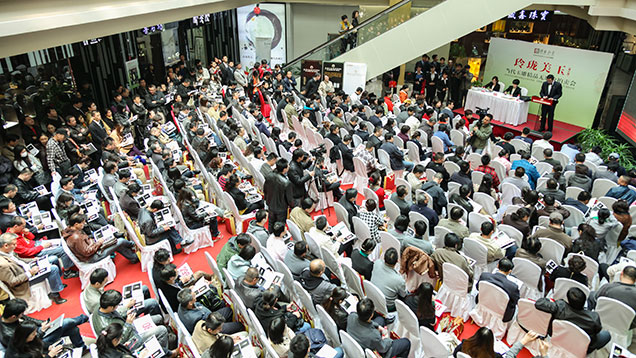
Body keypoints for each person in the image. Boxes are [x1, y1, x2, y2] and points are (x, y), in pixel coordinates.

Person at [92, 289, 172, 354]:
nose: (118, 307)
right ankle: (163, 353)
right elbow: (120, 340)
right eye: (117, 305)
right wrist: (128, 324)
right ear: (111, 307)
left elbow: (116, 313)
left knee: (158, 317)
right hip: (130, 338)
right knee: (162, 330)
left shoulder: (101, 306)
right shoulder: (105, 325)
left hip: (127, 326)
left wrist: (125, 312)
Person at [535, 287, 610, 353]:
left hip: (559, 337)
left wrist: (550, 301)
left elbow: (539, 303)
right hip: (581, 346)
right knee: (607, 335)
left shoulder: (559, 307)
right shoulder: (594, 317)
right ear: (585, 301)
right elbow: (597, 330)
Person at [0, 232, 67, 304]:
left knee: (53, 258)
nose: (16, 246)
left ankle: (57, 282)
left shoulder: (8, 251)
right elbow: (12, 282)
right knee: (53, 269)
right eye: (14, 244)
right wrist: (30, 273)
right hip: (25, 280)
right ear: (6, 245)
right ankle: (55, 294)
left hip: (28, 268)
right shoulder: (2, 264)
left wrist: (33, 260)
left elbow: (19, 260)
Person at [83, 268, 161, 318]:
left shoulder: (91, 286)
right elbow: (111, 313)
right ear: (97, 283)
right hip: (118, 314)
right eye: (105, 281)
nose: (106, 282)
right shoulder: (96, 302)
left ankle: (148, 313)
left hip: (115, 306)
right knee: (152, 303)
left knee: (144, 288)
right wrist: (127, 306)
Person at [346, 298, 410, 358]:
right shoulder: (374, 335)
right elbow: (383, 348)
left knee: (380, 320)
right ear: (371, 315)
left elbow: (370, 323)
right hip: (374, 349)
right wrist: (386, 338)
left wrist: (378, 327)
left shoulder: (351, 316)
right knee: (406, 343)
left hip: (359, 340)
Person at [63, 213, 139, 264]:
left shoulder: (72, 231)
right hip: (93, 256)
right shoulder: (76, 237)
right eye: (82, 223)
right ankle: (133, 245)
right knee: (120, 241)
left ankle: (133, 257)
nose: (84, 224)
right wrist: (99, 242)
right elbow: (87, 252)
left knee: (114, 242)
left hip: (94, 248)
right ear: (76, 224)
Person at [177, 288, 241, 335]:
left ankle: (225, 326)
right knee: (239, 326)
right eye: (194, 296)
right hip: (212, 327)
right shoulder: (194, 318)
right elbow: (208, 327)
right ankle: (223, 333)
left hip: (210, 316)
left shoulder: (182, 304)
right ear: (190, 303)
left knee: (228, 310)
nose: (195, 295)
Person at [476, 258, 520, 322]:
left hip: (483, 302)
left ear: (498, 266)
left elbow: (478, 288)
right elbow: (515, 302)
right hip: (502, 312)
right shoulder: (513, 287)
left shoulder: (485, 276)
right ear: (510, 271)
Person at [371, 248, 406, 312]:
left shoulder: (377, 263)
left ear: (384, 258)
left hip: (373, 296)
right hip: (388, 306)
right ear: (397, 261)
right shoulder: (399, 280)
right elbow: (403, 294)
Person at [263, 159, 294, 233]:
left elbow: (265, 189)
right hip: (281, 207)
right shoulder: (286, 183)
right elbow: (289, 199)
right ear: (284, 169)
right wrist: (292, 206)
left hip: (270, 203)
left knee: (271, 222)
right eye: (288, 166)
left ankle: (270, 235)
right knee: (280, 225)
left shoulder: (269, 175)